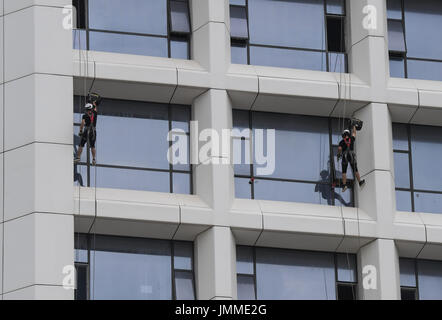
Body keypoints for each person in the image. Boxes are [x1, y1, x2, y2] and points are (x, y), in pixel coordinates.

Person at [337, 125, 365, 192]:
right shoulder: (351, 139)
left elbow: (339, 148)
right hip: (351, 155)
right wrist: (354, 126)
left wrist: (339, 154)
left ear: (343, 135)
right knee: (355, 169)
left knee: (344, 171)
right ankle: (360, 182)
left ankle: (344, 185)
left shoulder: (341, 142)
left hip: (345, 156)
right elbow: (354, 133)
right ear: (348, 134)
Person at [74, 100, 98, 165]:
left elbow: (82, 123)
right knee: (92, 146)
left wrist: (81, 131)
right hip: (93, 132)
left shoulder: (84, 116)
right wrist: (93, 103)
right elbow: (95, 108)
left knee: (81, 145)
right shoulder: (95, 114)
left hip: (87, 131)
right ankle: (93, 159)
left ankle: (78, 157)